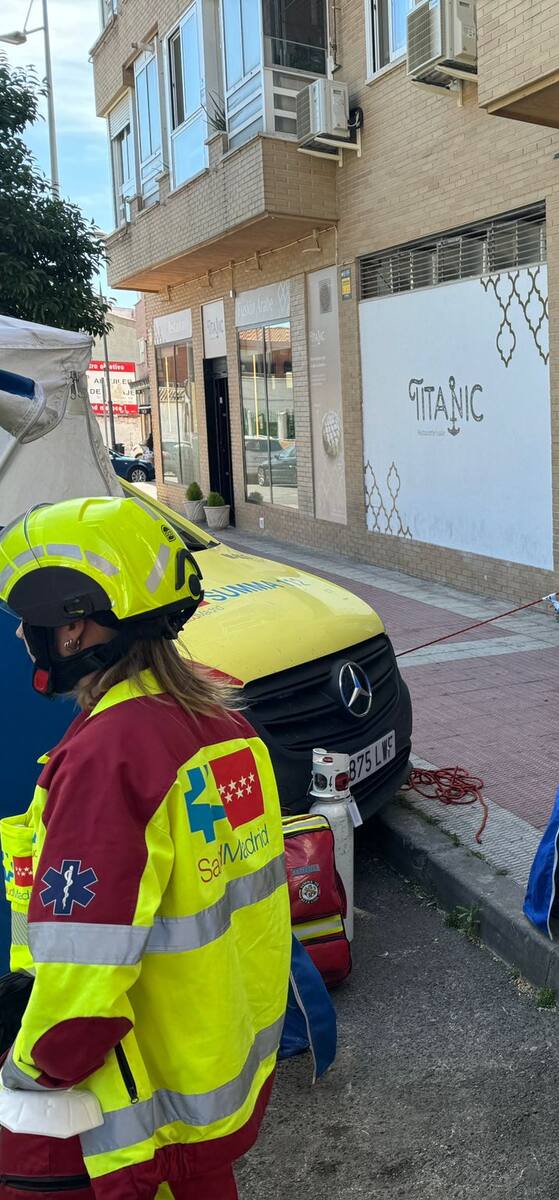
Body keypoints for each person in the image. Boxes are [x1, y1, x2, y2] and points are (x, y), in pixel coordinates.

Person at [0, 496, 291, 1199]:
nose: (19, 639)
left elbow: (85, 982)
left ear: (72, 629)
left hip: (134, 1106)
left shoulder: (110, 759)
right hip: (207, 1074)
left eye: (26, 624)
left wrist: (25, 1069)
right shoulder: (222, 729)